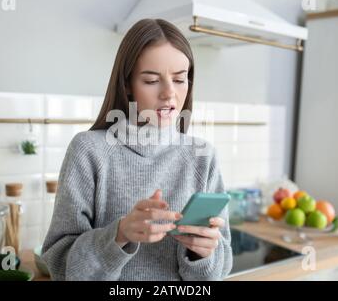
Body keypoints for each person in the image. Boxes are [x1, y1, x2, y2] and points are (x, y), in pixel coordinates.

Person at [41, 18, 233, 280]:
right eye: (152, 81)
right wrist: (120, 235)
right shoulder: (89, 151)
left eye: (179, 80)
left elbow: (218, 271)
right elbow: (59, 265)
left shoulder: (203, 156)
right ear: (128, 85)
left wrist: (204, 254)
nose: (169, 94)